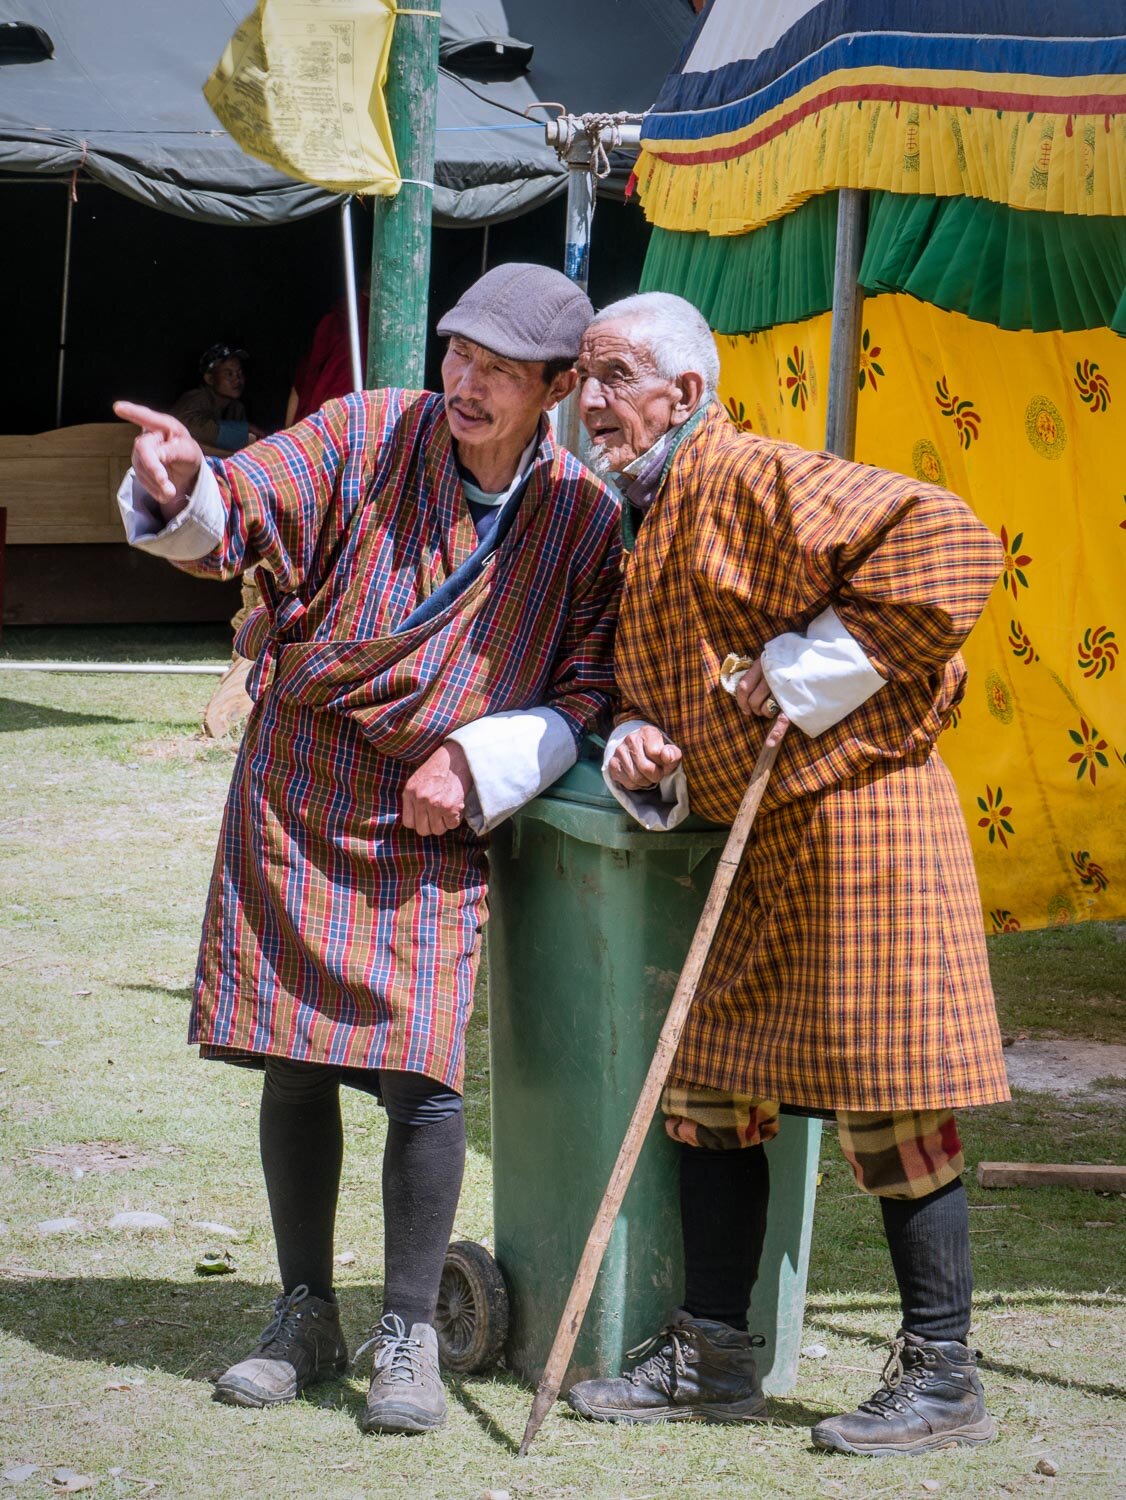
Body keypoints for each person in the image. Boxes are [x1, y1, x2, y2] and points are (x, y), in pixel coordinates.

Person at [113, 263, 621, 1436]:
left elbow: (586, 682)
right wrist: (186, 486)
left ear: (552, 388)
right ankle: (303, 1313)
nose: (466, 382)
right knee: (292, 1054)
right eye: (458, 353)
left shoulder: (581, 519)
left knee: (423, 1074)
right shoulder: (362, 432)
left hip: (436, 809)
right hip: (302, 778)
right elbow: (239, 506)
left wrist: (483, 761)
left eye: (499, 368)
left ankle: (404, 1327)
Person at [564, 292, 1010, 1458]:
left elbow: (952, 542)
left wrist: (810, 664)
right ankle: (714, 1353)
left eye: (612, 375)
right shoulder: (642, 513)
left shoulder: (747, 473)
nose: (589, 401)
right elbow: (663, 695)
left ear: (686, 396)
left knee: (891, 1102)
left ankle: (944, 1376)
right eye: (580, 376)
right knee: (708, 1091)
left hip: (866, 827)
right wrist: (639, 749)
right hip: (756, 844)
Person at [170, 343, 265, 453]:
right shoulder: (197, 398)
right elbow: (185, 428)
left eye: (240, 373)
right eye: (229, 374)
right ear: (210, 379)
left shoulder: (237, 408)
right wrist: (243, 430)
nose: (238, 380)